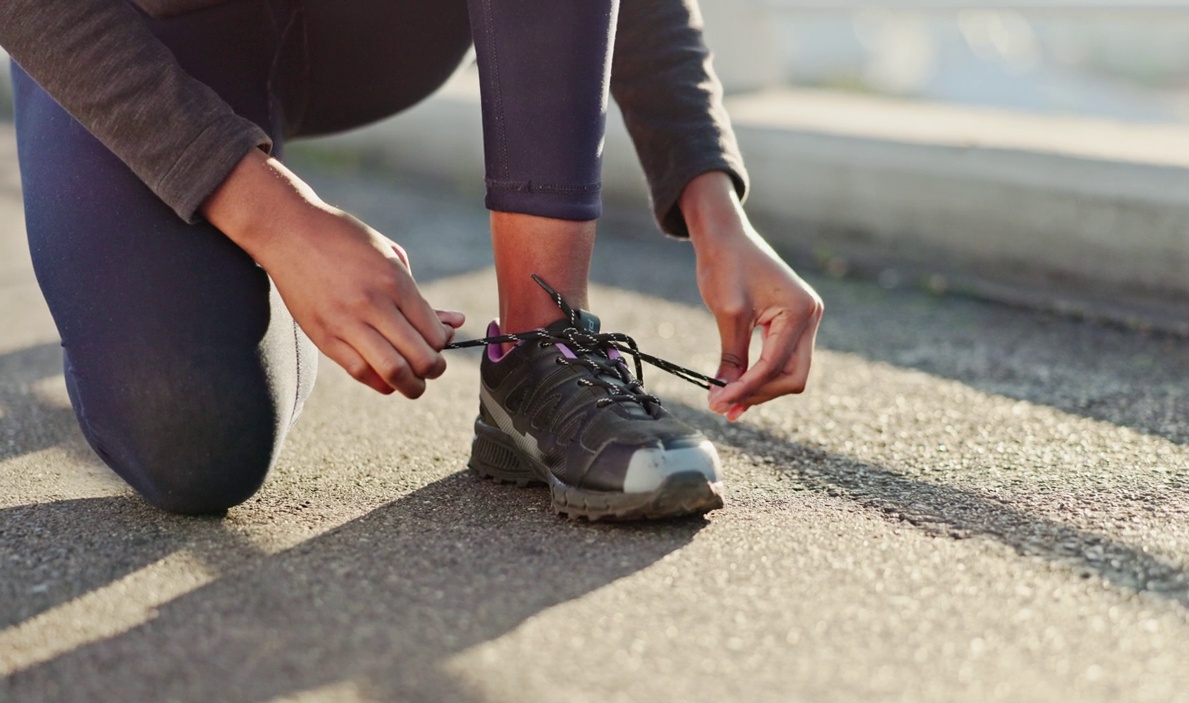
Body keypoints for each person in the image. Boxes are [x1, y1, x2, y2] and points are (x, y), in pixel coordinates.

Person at [0, 0, 823, 521]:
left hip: (374, 34)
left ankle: (539, 357)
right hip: (143, 35)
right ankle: (255, 259)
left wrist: (714, 205)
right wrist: (280, 227)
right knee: (196, 440)